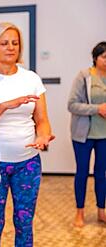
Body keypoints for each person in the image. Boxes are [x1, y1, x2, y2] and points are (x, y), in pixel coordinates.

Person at [0, 22, 54, 247]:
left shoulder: (31, 79)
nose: (11, 47)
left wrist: (43, 136)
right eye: (4, 43)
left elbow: (42, 121)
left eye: (15, 43)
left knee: (24, 221)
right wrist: (6, 105)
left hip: (27, 163)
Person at [68, 41, 106, 227]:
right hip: (83, 135)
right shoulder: (84, 76)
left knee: (102, 174)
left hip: (104, 136)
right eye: (104, 57)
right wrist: (97, 108)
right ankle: (79, 212)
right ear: (95, 58)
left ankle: (101, 211)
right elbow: (72, 104)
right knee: (82, 173)